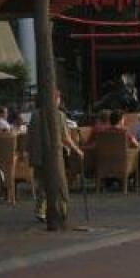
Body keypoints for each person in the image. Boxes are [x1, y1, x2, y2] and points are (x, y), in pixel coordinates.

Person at [28, 90, 83, 222]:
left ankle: (40, 209)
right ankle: (61, 209)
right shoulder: (59, 115)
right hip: (53, 154)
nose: (59, 101)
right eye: (58, 98)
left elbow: (30, 135)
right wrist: (77, 150)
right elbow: (65, 137)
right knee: (59, 181)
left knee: (42, 182)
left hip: (37, 154)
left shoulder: (34, 115)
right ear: (55, 99)